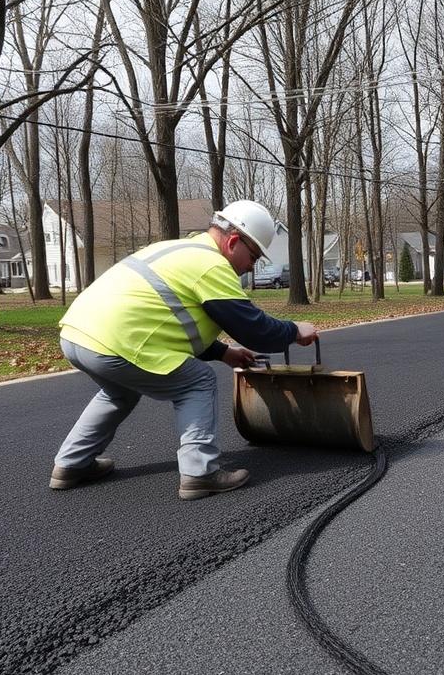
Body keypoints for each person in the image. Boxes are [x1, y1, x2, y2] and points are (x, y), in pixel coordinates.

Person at [50, 200, 317, 500]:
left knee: (119, 393)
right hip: (118, 342)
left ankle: (71, 464)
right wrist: (295, 330)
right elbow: (256, 330)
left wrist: (223, 353)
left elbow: (176, 324)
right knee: (197, 381)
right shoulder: (213, 265)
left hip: (77, 334)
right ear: (232, 241)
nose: (251, 267)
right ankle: (200, 473)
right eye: (253, 256)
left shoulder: (181, 250)